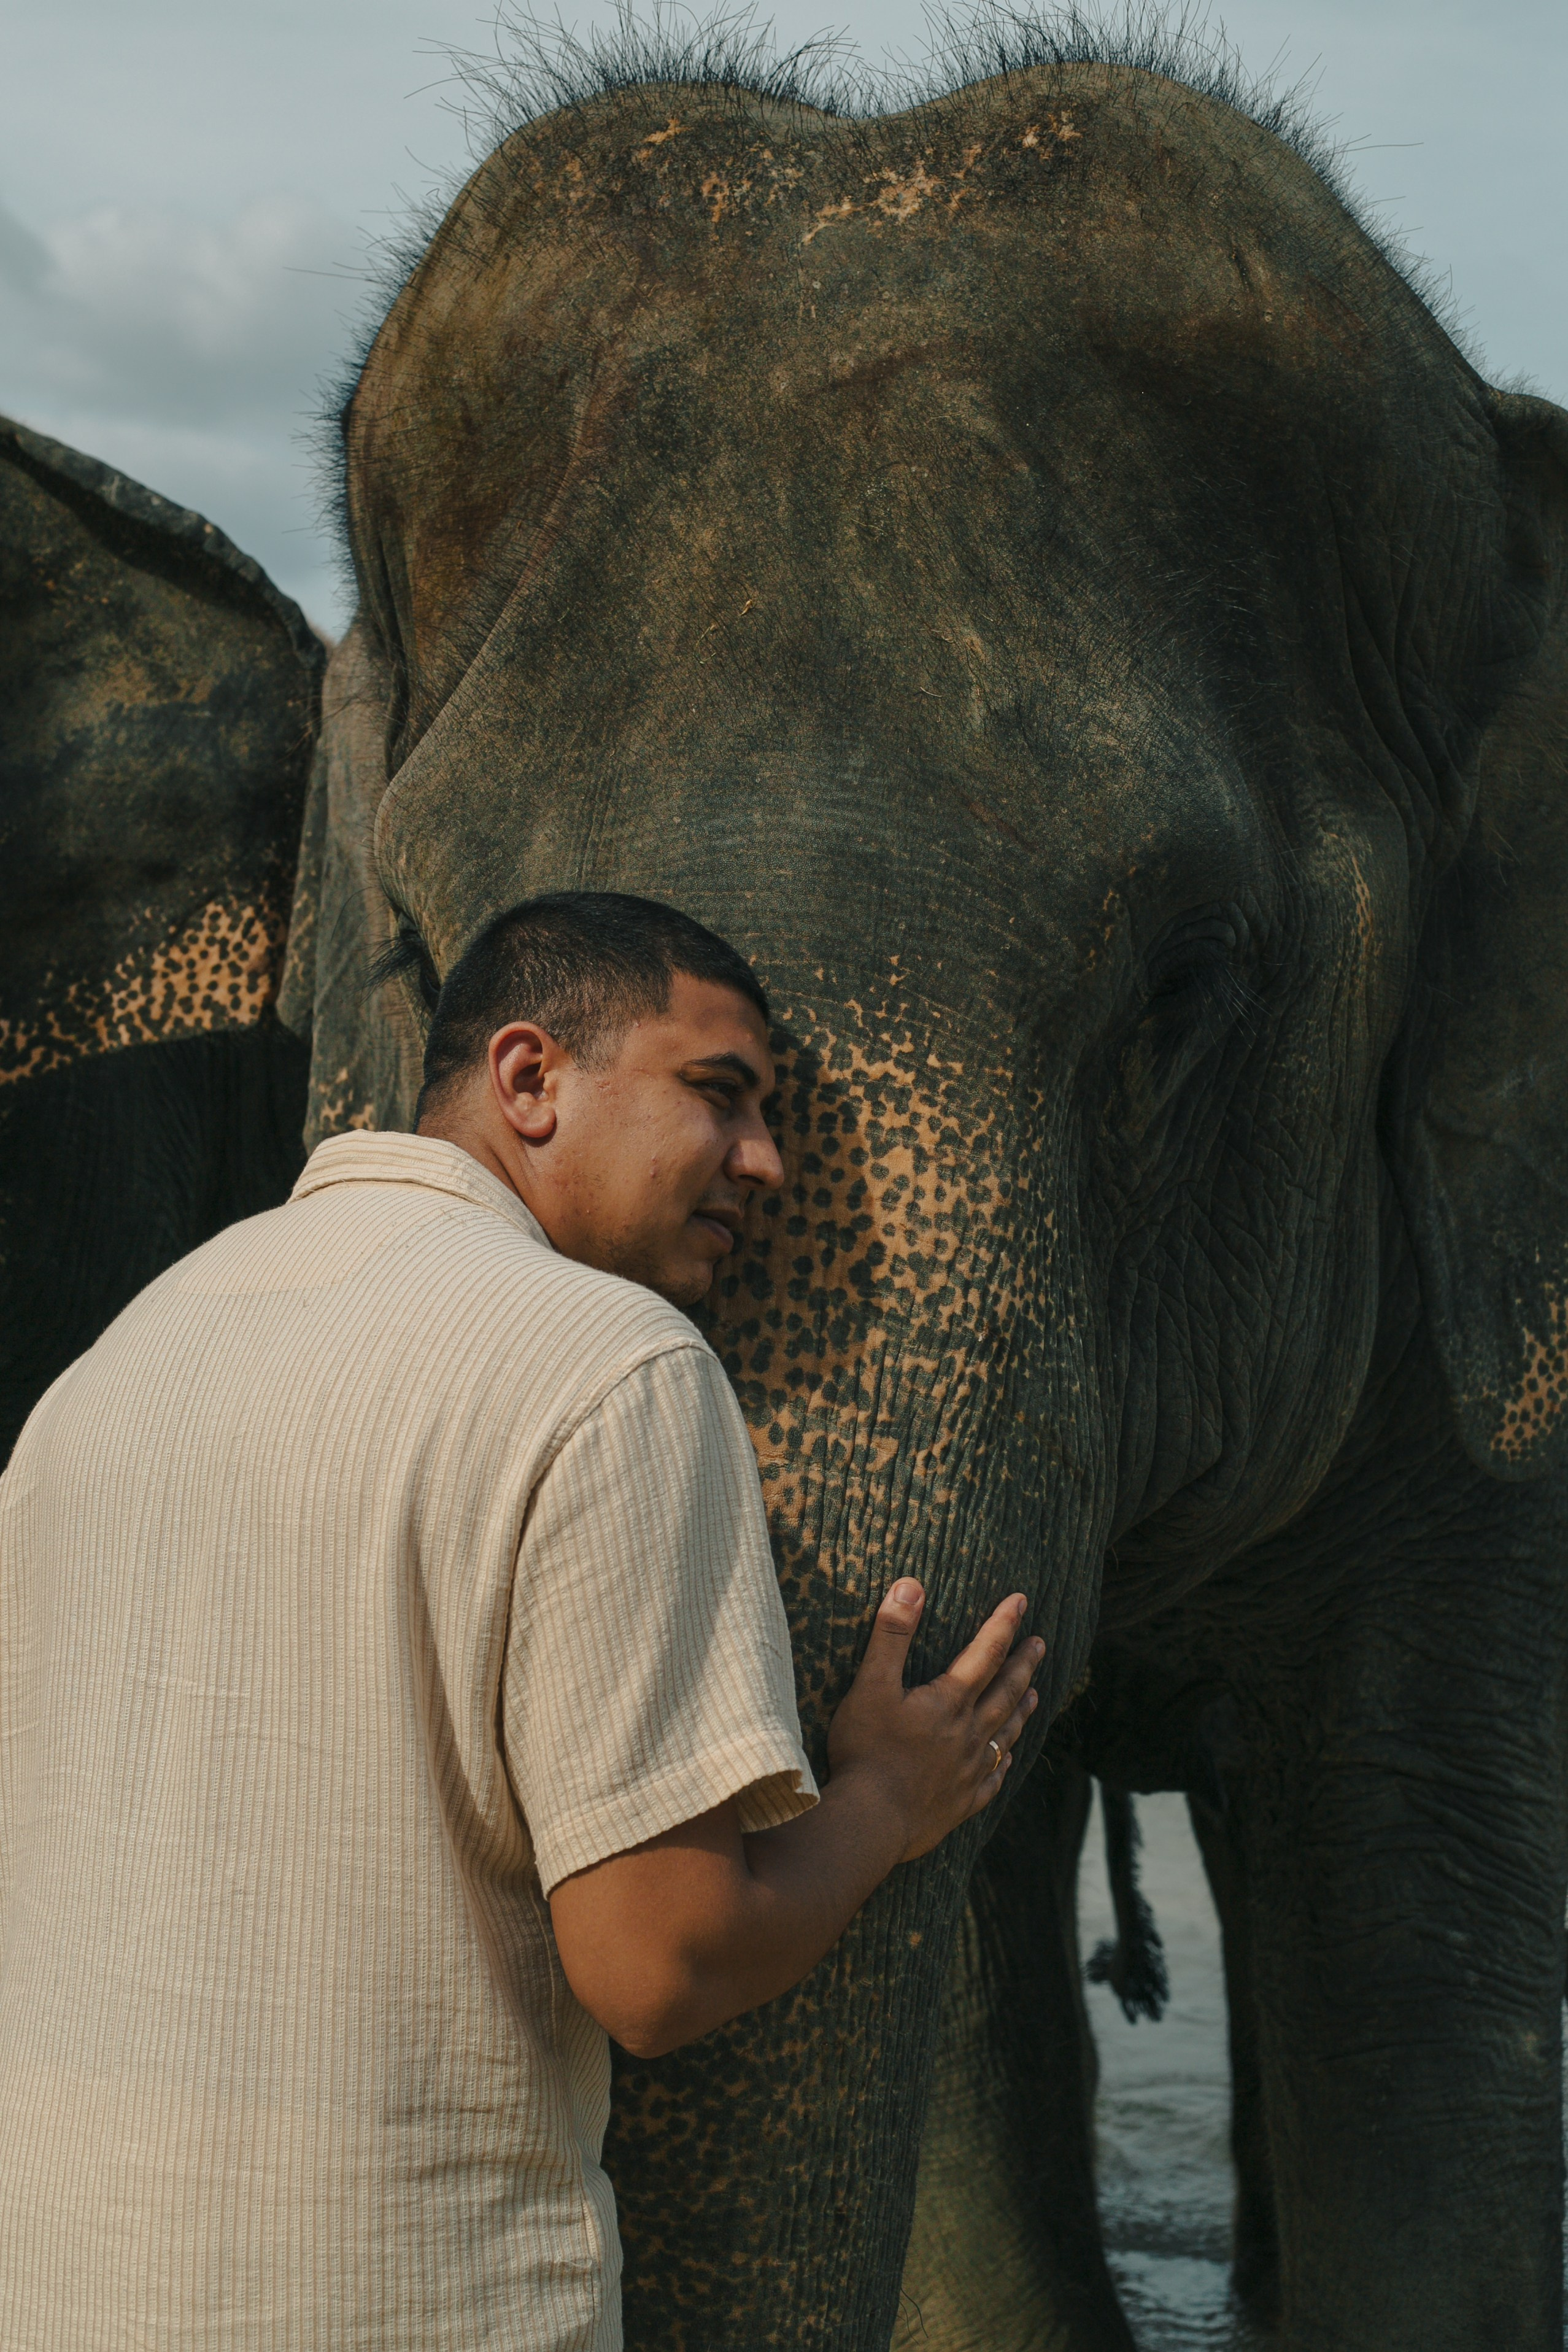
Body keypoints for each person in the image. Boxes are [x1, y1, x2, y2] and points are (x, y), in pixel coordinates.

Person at [0, 891, 1041, 2351]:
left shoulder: (122, 1358)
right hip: (395, 2300)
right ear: (530, 1077)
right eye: (720, 1094)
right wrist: (883, 1797)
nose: (768, 1161)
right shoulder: (611, 1367)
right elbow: (660, 1964)